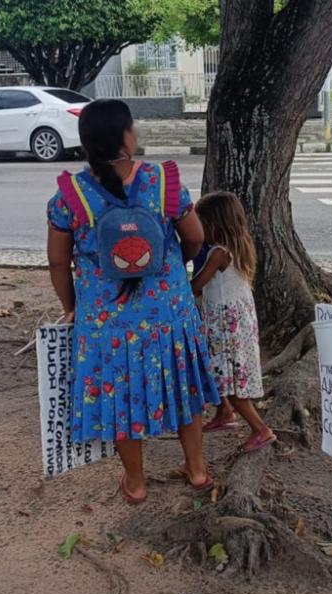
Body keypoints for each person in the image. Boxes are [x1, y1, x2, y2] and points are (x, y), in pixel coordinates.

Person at [46, 99, 220, 505]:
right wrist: (177, 270)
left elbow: (58, 261)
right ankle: (197, 471)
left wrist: (72, 306)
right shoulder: (163, 182)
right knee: (183, 388)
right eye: (133, 126)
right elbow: (195, 237)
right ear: (125, 137)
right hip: (168, 314)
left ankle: (137, 483)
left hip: (107, 325)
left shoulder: (69, 196)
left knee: (120, 396)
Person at [190, 192, 276, 452]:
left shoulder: (218, 253)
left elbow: (197, 286)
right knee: (220, 373)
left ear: (215, 224)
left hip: (226, 326)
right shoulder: (241, 245)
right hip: (235, 322)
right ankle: (224, 413)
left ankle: (261, 429)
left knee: (232, 382)